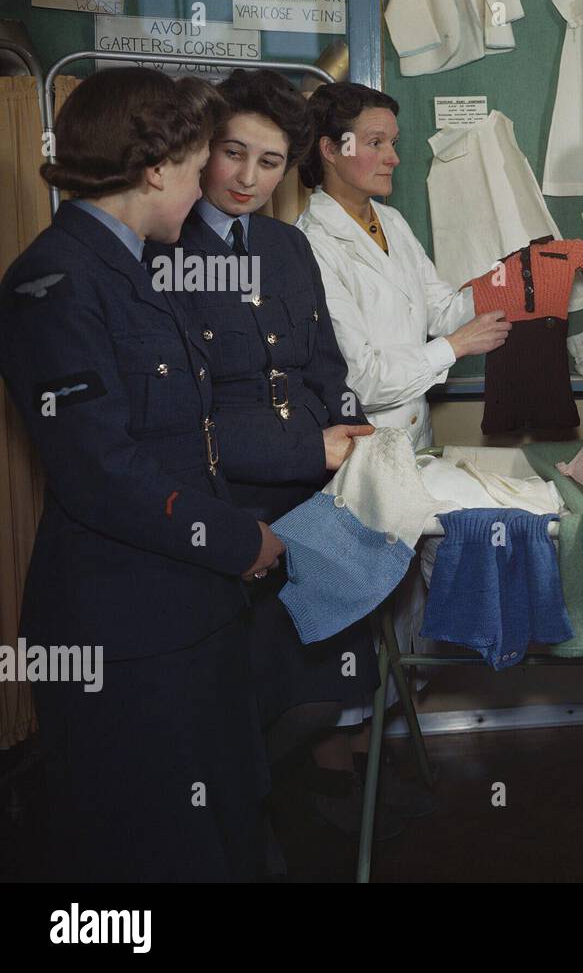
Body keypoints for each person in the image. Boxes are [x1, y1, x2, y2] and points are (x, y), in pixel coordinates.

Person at [0, 67, 283, 881]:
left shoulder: (135, 268)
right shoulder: (52, 282)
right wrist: (240, 540)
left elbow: (184, 436)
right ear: (155, 166)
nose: (206, 191)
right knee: (140, 850)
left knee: (223, 827)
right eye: (200, 170)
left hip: (188, 610)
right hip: (121, 628)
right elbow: (102, 473)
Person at [146, 68, 390, 860]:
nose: (249, 179)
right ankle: (252, 822)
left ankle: (316, 796)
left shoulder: (288, 248)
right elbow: (186, 413)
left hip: (313, 491)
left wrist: (352, 429)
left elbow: (323, 362)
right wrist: (305, 447)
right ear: (199, 151)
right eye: (232, 155)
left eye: (272, 162)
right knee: (244, 691)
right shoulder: (162, 251)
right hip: (227, 497)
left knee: (332, 666)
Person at [295, 82, 512, 667]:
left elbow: (439, 307)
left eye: (393, 141)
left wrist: (509, 279)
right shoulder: (311, 243)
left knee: (409, 600)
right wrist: (455, 347)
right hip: (360, 451)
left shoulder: (388, 220)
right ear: (330, 149)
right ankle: (361, 733)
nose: (393, 156)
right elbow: (360, 376)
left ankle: (398, 723)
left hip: (411, 439)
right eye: (375, 142)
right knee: (367, 604)